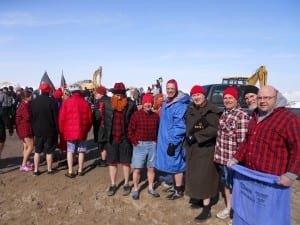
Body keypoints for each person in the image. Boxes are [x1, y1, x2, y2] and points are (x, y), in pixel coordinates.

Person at [229, 85, 300, 184]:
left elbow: (297, 148)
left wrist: (291, 174)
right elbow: (247, 142)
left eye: (267, 98)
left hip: (273, 179)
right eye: (260, 98)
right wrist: (236, 158)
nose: (262, 101)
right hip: (251, 173)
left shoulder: (289, 119)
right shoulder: (255, 116)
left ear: (275, 98)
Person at [184, 85, 221, 221]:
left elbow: (214, 128)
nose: (196, 97)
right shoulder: (192, 108)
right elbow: (190, 126)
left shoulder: (211, 110)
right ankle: (199, 200)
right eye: (194, 95)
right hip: (194, 148)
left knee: (205, 178)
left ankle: (207, 209)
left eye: (198, 94)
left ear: (204, 95)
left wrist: (197, 136)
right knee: (195, 176)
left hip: (206, 149)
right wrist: (188, 138)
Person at [214, 87, 250, 223]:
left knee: (236, 187)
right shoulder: (225, 114)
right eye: (225, 98)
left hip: (234, 162)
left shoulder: (241, 116)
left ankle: (237, 213)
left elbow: (242, 143)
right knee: (227, 185)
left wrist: (237, 160)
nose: (227, 100)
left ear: (236, 99)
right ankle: (229, 208)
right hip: (223, 159)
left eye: (230, 98)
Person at [155, 79, 190, 200]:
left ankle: (179, 190)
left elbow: (180, 126)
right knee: (171, 164)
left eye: (172, 89)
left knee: (177, 164)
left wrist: (173, 142)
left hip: (173, 141)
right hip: (165, 139)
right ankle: (175, 185)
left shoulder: (179, 105)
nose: (170, 91)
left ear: (176, 89)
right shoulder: (166, 103)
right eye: (168, 88)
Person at [105, 82, 137, 196]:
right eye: (117, 94)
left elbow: (135, 121)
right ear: (113, 93)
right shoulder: (107, 104)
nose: (119, 96)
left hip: (125, 138)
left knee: (126, 162)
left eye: (121, 94)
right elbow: (103, 121)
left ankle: (126, 183)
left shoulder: (131, 104)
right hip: (112, 137)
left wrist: (133, 136)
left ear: (124, 93)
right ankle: (113, 184)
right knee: (112, 162)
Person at [128, 93, 160, 200]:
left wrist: (155, 141)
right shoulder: (136, 115)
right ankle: (136, 189)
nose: (148, 104)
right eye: (146, 102)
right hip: (139, 145)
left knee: (151, 168)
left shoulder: (155, 116)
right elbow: (130, 131)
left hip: (152, 145)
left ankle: (151, 187)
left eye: (150, 102)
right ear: (142, 103)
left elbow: (159, 130)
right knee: (137, 169)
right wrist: (135, 142)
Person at [59, 84, 92, 178]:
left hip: (69, 131)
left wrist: (62, 130)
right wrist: (87, 129)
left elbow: (61, 118)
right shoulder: (85, 103)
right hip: (82, 131)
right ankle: (81, 170)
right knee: (81, 150)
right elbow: (90, 119)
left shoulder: (66, 102)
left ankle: (70, 171)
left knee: (70, 151)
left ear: (71, 92)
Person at [30, 83, 58, 175]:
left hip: (37, 130)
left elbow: (32, 117)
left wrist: (33, 128)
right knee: (49, 151)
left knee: (37, 151)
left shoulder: (34, 101)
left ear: (41, 90)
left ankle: (36, 170)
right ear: (49, 90)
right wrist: (57, 130)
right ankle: (49, 170)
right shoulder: (52, 102)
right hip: (50, 130)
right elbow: (55, 118)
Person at [15, 89, 34, 171]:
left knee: (26, 146)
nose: (32, 97)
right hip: (24, 128)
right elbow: (28, 117)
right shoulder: (24, 106)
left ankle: (26, 162)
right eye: (30, 96)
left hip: (22, 128)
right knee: (31, 146)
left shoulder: (24, 105)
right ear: (26, 97)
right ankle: (23, 164)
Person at [92, 85, 110, 167]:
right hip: (110, 126)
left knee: (102, 144)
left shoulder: (99, 102)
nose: (95, 95)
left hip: (101, 126)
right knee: (108, 142)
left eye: (96, 93)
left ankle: (104, 160)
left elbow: (97, 116)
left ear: (100, 93)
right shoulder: (110, 100)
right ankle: (108, 158)